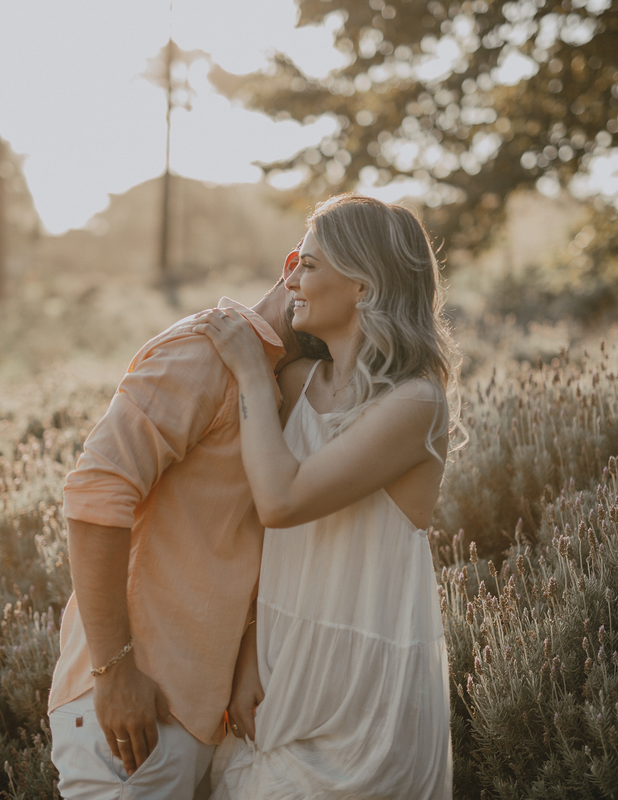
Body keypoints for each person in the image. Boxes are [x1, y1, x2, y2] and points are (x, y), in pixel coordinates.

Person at [194, 193, 458, 799]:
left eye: (308, 265)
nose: (291, 279)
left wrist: (251, 374)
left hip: (364, 703)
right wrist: (248, 654)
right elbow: (268, 539)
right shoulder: (296, 382)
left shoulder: (414, 403)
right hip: (279, 672)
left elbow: (281, 502)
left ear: (363, 287)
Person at [47, 263, 324, 800]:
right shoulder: (205, 354)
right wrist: (114, 673)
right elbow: (96, 492)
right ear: (294, 266)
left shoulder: (272, 383)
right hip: (136, 715)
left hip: (188, 716)